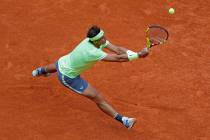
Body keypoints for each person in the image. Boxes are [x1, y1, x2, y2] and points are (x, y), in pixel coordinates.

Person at [32, 25, 150, 129]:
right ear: (95, 41)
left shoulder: (93, 40)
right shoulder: (92, 52)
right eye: (101, 39)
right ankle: (124, 121)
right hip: (68, 77)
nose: (104, 40)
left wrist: (137, 53)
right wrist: (139, 56)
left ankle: (39, 71)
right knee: (97, 97)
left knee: (58, 65)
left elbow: (118, 49)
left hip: (65, 60)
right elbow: (117, 58)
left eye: (104, 36)